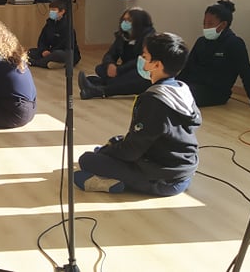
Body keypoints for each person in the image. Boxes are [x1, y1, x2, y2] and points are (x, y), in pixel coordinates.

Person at [74, 32, 201, 196]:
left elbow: (131, 152)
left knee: (87, 160)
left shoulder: (155, 101)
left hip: (164, 180)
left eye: (145, 57)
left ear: (157, 65)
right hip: (184, 172)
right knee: (115, 143)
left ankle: (117, 182)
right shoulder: (181, 89)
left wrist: (107, 153)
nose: (141, 59)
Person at [177, 0, 250, 108]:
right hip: (192, 84)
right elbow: (188, 68)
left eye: (210, 24)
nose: (206, 27)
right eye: (204, 23)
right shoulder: (201, 41)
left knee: (178, 97)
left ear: (223, 24)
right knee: (166, 88)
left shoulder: (234, 43)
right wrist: (173, 83)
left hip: (215, 92)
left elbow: (246, 73)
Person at [77, 7, 156, 100]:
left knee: (140, 78)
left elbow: (140, 60)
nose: (125, 22)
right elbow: (110, 54)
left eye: (129, 20)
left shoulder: (149, 38)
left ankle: (100, 89)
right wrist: (110, 64)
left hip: (140, 70)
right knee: (100, 68)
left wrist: (119, 70)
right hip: (125, 69)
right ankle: (101, 83)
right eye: (124, 19)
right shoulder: (122, 36)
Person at [27, 0, 82, 69]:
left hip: (64, 53)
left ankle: (36, 63)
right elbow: (42, 40)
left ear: (62, 11)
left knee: (57, 54)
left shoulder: (67, 26)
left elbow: (64, 45)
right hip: (50, 51)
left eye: (53, 10)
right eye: (50, 10)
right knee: (30, 52)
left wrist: (50, 52)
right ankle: (54, 63)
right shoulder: (49, 23)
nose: (51, 12)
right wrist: (43, 50)